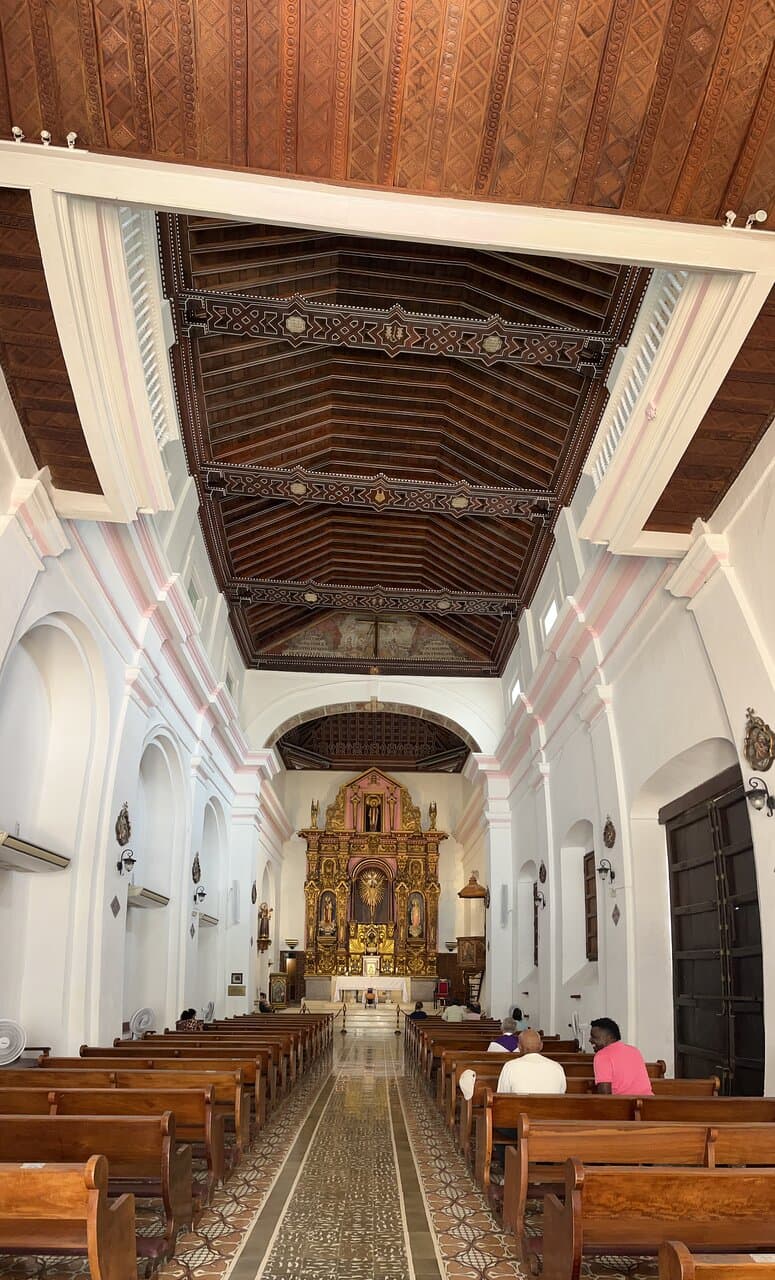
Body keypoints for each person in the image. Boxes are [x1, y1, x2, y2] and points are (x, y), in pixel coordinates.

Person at [589, 1017, 653, 1095]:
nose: (590, 1040)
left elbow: (604, 1095)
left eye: (594, 1037)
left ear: (609, 1037)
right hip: (650, 1103)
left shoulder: (602, 1056)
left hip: (624, 1105)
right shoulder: (634, 1051)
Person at [496, 1029, 567, 1094]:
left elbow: (501, 1096)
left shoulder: (509, 1067)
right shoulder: (557, 1067)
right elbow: (561, 1094)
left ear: (519, 1047)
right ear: (541, 1046)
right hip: (550, 1107)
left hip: (519, 1107)